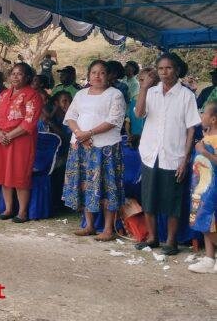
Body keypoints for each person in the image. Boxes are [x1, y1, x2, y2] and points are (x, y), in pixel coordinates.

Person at [135, 53, 201, 256]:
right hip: (150, 153)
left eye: (169, 68)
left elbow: (191, 129)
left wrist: (185, 158)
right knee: (149, 198)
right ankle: (153, 238)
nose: (164, 72)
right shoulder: (151, 92)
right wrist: (144, 88)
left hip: (174, 155)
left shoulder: (186, 95)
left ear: (177, 70)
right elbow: (139, 113)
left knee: (172, 200)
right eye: (161, 69)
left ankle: (171, 241)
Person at [62, 60, 126, 241]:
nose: (97, 76)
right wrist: (79, 134)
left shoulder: (115, 94)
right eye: (94, 72)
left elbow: (113, 120)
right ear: (89, 75)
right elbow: (71, 116)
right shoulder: (81, 94)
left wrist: (88, 133)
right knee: (85, 184)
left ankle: (108, 229)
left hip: (105, 148)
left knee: (107, 186)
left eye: (102, 72)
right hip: (80, 146)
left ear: (109, 76)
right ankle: (88, 225)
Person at [0, 62, 43, 223]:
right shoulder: (4, 94)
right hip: (2, 140)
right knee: (3, 174)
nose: (15, 76)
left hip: (21, 141)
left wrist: (9, 135)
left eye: (19, 74)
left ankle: (22, 212)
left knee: (20, 175)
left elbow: (29, 121)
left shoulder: (32, 95)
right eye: (13, 73)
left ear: (27, 77)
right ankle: (8, 209)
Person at [187, 100, 217, 273]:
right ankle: (209, 258)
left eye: (204, 113)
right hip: (200, 187)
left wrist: (204, 152)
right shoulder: (206, 136)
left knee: (209, 220)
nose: (201, 116)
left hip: (212, 189)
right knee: (203, 221)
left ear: (213, 119)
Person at [126, 67, 156, 148]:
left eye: (147, 80)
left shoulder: (158, 99)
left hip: (151, 141)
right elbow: (128, 121)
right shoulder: (134, 99)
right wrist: (129, 135)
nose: (144, 83)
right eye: (141, 80)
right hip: (135, 138)